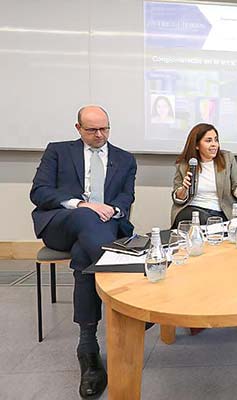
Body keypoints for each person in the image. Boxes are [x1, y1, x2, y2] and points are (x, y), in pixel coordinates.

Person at [30, 105, 137, 399]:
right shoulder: (58, 151)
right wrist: (82, 205)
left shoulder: (125, 159)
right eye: (92, 130)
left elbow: (126, 198)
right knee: (86, 218)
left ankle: (88, 348)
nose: (99, 134)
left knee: (83, 256)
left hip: (101, 231)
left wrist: (113, 209)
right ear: (78, 128)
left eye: (104, 129)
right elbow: (39, 192)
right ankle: (128, 284)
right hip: (62, 223)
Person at [171, 123, 237, 228]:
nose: (214, 144)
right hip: (191, 210)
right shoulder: (184, 164)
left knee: (211, 222)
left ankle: (216, 227)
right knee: (196, 218)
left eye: (216, 140)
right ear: (196, 145)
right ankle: (215, 228)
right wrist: (183, 189)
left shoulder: (227, 159)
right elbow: (177, 198)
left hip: (220, 212)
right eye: (208, 141)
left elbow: (236, 187)